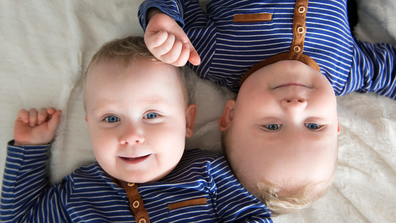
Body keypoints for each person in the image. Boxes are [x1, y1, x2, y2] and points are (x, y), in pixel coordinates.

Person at [138, 0, 396, 216]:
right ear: (336, 121)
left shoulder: (209, 55)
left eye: (272, 126)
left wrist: (160, 19)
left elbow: (177, 7)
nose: (296, 107)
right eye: (314, 126)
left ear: (230, 115)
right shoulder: (348, 69)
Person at [0, 36, 272, 222]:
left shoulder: (210, 173)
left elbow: (253, 215)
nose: (130, 136)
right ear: (89, 127)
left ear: (187, 122)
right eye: (110, 119)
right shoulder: (77, 193)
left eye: (151, 115)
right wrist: (30, 151)